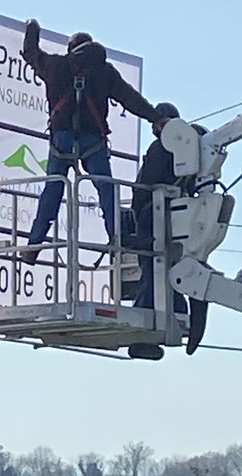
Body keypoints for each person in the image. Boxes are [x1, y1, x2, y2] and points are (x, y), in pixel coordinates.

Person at [20, 19, 163, 260]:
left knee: (53, 190)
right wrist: (156, 118)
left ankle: (34, 245)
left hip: (61, 141)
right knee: (105, 187)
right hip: (92, 142)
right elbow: (130, 98)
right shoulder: (104, 71)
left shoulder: (56, 65)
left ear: (71, 48)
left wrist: (32, 29)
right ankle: (118, 237)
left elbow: (31, 54)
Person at [131, 103, 188, 313]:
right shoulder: (186, 149)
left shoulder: (161, 147)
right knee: (169, 264)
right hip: (176, 214)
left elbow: (146, 182)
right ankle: (178, 308)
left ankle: (145, 307)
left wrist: (136, 211)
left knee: (151, 264)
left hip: (152, 213)